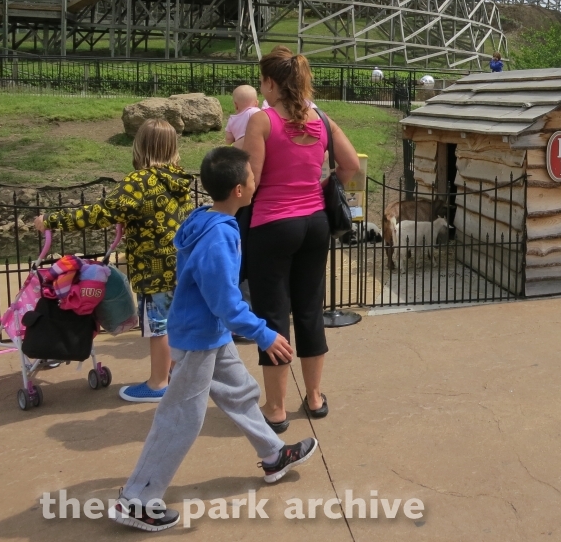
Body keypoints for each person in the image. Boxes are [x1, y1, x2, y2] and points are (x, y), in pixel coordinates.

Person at [111, 147, 316, 532]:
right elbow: (225, 300)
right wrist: (264, 333)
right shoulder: (219, 236)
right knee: (180, 418)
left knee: (239, 392)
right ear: (239, 189)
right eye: (252, 177)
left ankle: (274, 455)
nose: (257, 180)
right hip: (199, 336)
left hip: (207, 332)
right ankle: (137, 498)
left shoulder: (206, 218)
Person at [35, 119, 193, 403]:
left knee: (158, 326)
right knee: (173, 322)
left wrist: (51, 220)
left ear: (140, 146)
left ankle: (158, 383)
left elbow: (100, 212)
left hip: (152, 268)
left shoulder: (138, 182)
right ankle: (173, 375)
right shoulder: (179, 180)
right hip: (179, 265)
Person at [243, 46, 360, 432]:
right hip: (315, 223)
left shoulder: (262, 121)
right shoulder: (321, 119)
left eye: (263, 80)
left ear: (272, 83)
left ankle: (275, 408)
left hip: (274, 225)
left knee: (273, 315)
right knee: (310, 309)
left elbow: (251, 182)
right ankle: (313, 397)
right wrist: (322, 184)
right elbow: (351, 166)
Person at [224, 84, 260, 150]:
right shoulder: (255, 112)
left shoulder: (232, 120)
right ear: (256, 103)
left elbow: (229, 139)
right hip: (255, 145)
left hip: (239, 149)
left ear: (235, 105)